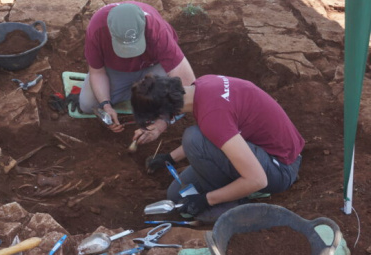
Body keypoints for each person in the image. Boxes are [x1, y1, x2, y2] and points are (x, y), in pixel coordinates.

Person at [130, 74, 304, 223]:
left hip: (280, 167)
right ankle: (226, 192)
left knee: (193, 138)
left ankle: (233, 205)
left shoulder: (213, 116)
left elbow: (258, 180)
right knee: (177, 196)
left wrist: (207, 200)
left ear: (164, 113)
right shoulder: (203, 85)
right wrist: (169, 158)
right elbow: (216, 135)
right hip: (263, 152)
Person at [68, 1, 195, 133]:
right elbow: (97, 72)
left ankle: (137, 94)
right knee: (88, 105)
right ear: (111, 32)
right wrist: (106, 105)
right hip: (116, 70)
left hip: (153, 67)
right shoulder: (97, 29)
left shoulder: (157, 29)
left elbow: (187, 84)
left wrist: (162, 122)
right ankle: (138, 94)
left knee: (181, 100)